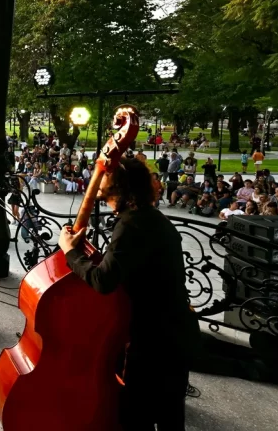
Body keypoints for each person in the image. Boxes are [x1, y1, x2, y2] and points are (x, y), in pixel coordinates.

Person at [59, 158, 197, 431]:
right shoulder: (147, 218)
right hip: (173, 334)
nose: (98, 176)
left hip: (154, 341)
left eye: (105, 174)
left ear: (120, 186)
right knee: (170, 418)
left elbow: (103, 281)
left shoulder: (131, 224)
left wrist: (70, 252)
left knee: (137, 418)